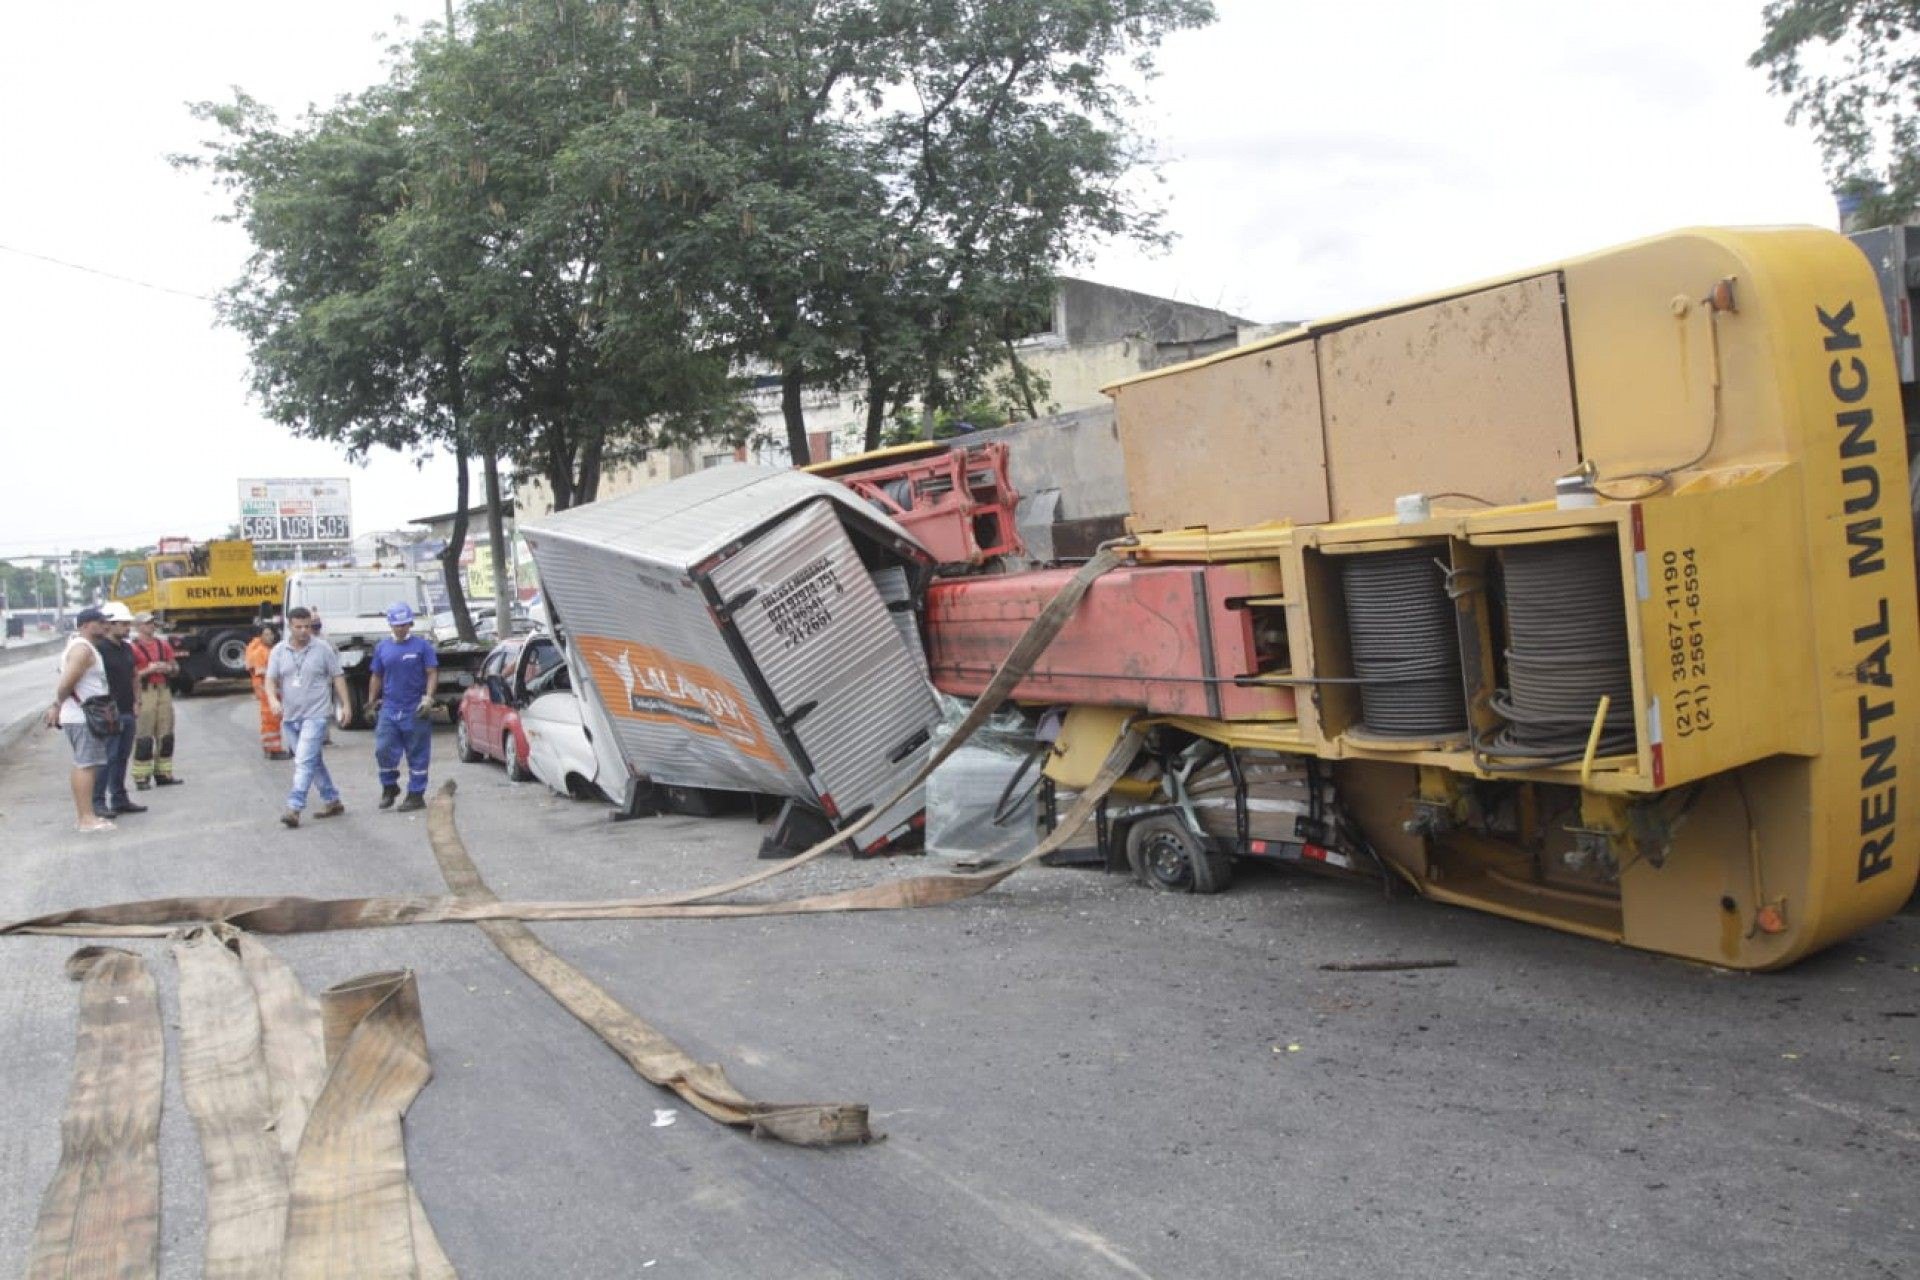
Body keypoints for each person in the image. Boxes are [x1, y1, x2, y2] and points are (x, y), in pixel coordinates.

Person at [264, 606, 350, 828]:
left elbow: (338, 676)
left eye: (307, 627)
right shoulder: (279, 651)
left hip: (317, 714)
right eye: (299, 627)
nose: (304, 631)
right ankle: (332, 800)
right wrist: (273, 700)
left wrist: (346, 705)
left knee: (303, 761)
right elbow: (270, 680)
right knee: (312, 760)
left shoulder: (322, 649)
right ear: (289, 626)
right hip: (291, 717)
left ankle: (294, 807)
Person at [44, 607, 115, 833]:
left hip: (82, 714)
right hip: (83, 715)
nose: (105, 625)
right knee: (85, 765)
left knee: (86, 763)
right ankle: (86, 819)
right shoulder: (82, 650)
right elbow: (67, 682)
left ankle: (86, 815)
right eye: (100, 621)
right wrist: (56, 704)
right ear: (84, 625)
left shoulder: (82, 647)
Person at [368, 601, 439, 812]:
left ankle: (416, 794)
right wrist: (371, 702)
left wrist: (428, 698)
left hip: (414, 709)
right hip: (389, 708)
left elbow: (432, 673)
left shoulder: (422, 647)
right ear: (390, 625)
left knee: (417, 753)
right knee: (383, 749)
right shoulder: (382, 648)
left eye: (404, 624)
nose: (401, 628)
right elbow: (376, 675)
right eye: (397, 625)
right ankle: (389, 787)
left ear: (410, 624)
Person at [91, 602, 143, 819]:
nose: (127, 627)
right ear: (110, 624)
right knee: (107, 757)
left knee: (122, 756)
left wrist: (137, 700)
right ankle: (99, 802)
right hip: (108, 711)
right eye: (123, 624)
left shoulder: (127, 648)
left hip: (127, 709)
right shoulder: (99, 650)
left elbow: (134, 675)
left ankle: (120, 799)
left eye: (128, 624)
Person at [129, 612, 184, 789]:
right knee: (144, 735)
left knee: (166, 733)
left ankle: (163, 773)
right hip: (145, 692)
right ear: (138, 627)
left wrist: (168, 668)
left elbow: (175, 667)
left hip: (163, 690)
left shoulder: (163, 645)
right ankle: (141, 777)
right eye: (147, 623)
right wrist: (148, 670)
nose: (151, 626)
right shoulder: (133, 648)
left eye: (152, 623)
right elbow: (130, 675)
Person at [246, 622, 289, 759]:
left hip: (266, 692)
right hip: (267, 692)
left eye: (271, 634)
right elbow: (264, 675)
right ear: (260, 636)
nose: (270, 637)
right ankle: (274, 750)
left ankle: (270, 748)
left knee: (270, 721)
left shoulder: (262, 650)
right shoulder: (262, 652)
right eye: (266, 634)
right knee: (271, 721)